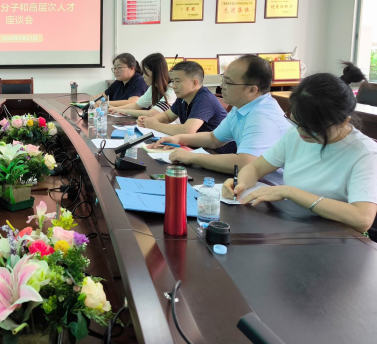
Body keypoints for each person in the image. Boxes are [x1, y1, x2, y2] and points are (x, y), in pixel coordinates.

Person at [223, 73, 377, 234]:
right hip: (295, 226)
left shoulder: (365, 154)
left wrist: (290, 192)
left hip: (336, 237)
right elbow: (256, 168)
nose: (301, 131)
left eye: (312, 127)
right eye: (296, 121)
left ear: (344, 121)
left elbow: (362, 219)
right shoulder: (295, 134)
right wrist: (240, 184)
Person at [155, 55, 290, 179]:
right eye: (222, 79)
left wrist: (192, 157)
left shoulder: (263, 117)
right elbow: (213, 139)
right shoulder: (241, 107)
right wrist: (179, 138)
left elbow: (245, 163)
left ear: (252, 90)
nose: (221, 86)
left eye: (227, 82)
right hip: (250, 181)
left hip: (270, 187)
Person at [138, 61, 233, 152]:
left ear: (195, 83)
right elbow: (167, 116)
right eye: (173, 81)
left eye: (178, 81)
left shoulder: (204, 98)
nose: (173, 86)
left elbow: (187, 130)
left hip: (218, 152)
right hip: (199, 147)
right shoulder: (183, 97)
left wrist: (155, 125)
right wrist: (149, 121)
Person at [110, 53, 175, 117]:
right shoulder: (153, 88)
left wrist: (126, 111)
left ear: (156, 72)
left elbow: (152, 113)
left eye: (145, 72)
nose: (143, 76)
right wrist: (116, 109)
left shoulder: (173, 89)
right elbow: (136, 106)